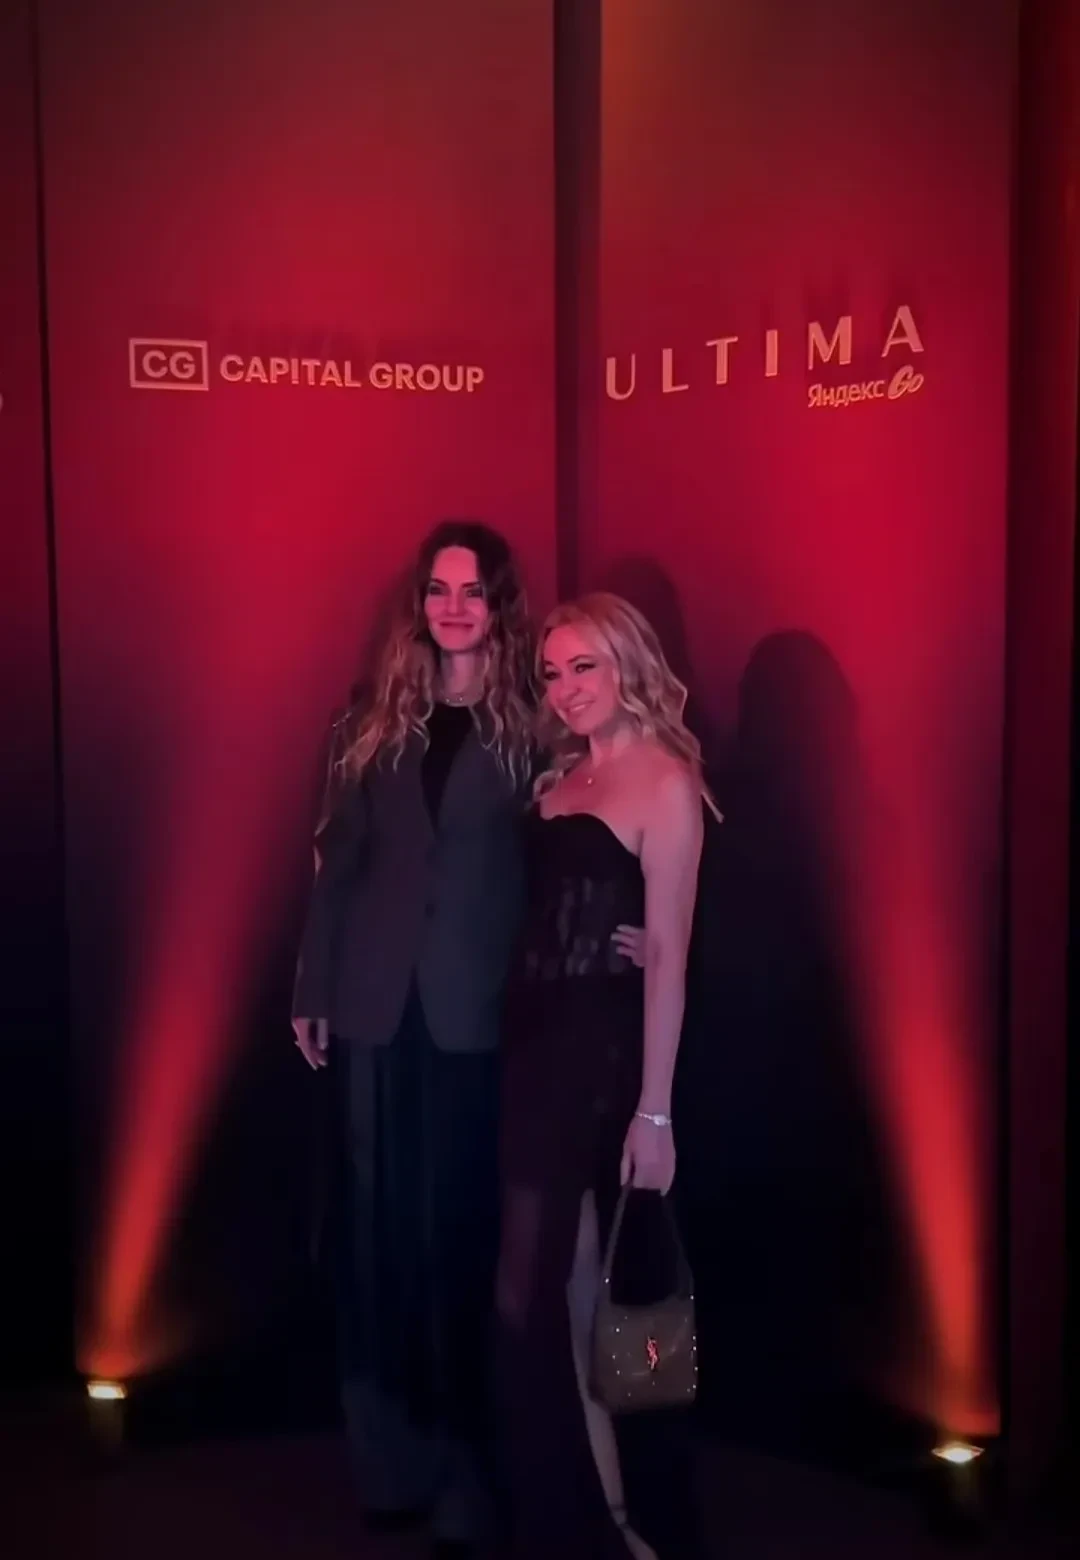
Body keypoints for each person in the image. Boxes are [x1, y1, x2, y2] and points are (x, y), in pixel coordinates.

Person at [291, 525, 645, 1557]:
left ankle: (465, 1472)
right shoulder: (368, 718)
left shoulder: (534, 723)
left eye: (473, 591)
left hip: (481, 1014)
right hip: (370, 1008)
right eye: (439, 589)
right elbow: (337, 859)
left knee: (461, 1244)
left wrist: (628, 920)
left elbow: (594, 823)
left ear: (500, 606)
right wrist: (311, 984)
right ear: (421, 602)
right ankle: (386, 1464)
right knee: (374, 1243)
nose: (453, 607)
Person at [495, 592, 714, 1560]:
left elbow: (668, 957)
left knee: (568, 1290)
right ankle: (599, 1516)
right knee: (560, 1289)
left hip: (597, 1055)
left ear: (628, 662)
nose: (565, 687)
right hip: (526, 1046)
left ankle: (619, 1516)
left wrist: (655, 1114)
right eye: (552, 672)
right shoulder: (558, 776)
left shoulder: (667, 780)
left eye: (584, 665)